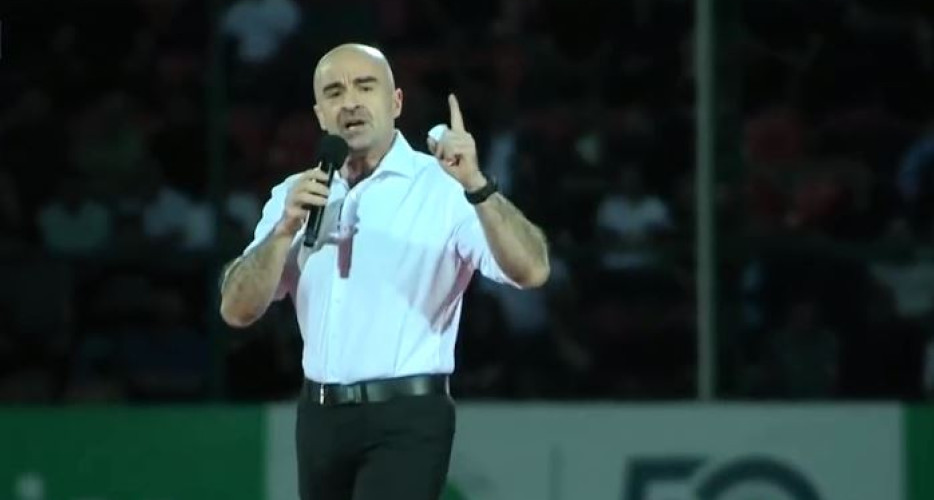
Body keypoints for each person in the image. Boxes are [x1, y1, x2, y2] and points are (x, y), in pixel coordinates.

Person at [219, 43, 550, 500]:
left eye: (365, 86)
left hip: (407, 417)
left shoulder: (443, 187)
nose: (350, 102)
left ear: (395, 102)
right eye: (334, 92)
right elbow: (236, 310)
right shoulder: (295, 195)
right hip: (319, 418)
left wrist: (477, 185)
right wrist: (282, 232)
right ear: (320, 115)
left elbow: (532, 270)